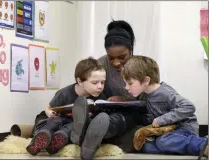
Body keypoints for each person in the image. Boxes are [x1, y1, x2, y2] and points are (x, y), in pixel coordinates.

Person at [122, 55, 208, 159]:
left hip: (184, 127)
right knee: (146, 147)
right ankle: (186, 146)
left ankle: (203, 144)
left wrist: (161, 119)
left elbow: (188, 106)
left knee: (163, 141)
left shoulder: (164, 92)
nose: (126, 87)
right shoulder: (145, 95)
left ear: (146, 81)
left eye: (130, 83)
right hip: (168, 130)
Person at [26, 57, 107, 156]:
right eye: (95, 83)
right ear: (80, 81)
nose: (100, 86)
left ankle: (58, 140)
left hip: (74, 125)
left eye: (103, 82)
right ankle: (40, 138)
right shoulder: (65, 93)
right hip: (59, 118)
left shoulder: (100, 98)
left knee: (73, 128)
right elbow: (49, 107)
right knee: (53, 122)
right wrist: (50, 113)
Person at [97, 20, 147, 152]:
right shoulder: (101, 63)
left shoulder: (141, 66)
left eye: (122, 57)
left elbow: (148, 101)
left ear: (130, 50)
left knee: (127, 123)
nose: (116, 63)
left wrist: (125, 100)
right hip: (108, 110)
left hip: (134, 113)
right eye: (111, 58)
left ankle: (104, 130)